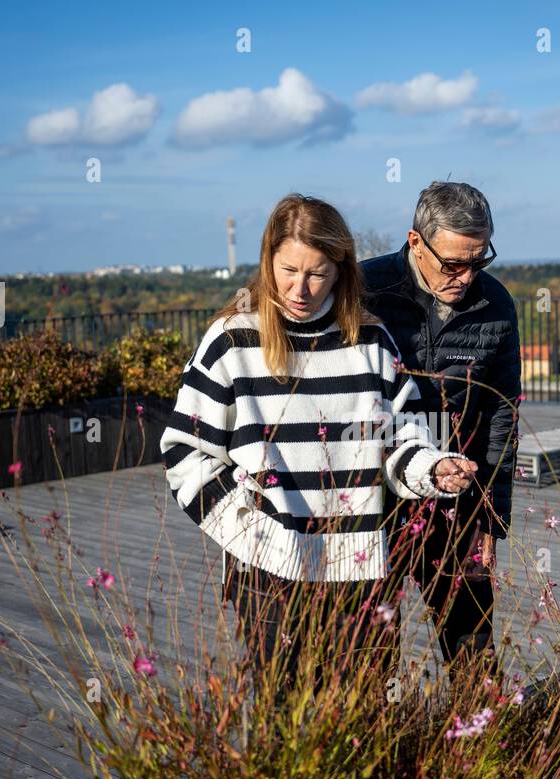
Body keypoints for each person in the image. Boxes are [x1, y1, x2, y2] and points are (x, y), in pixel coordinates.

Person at [159, 194, 477, 695]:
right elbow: (183, 451)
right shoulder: (231, 341)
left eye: (317, 273)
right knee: (281, 718)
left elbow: (404, 438)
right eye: (288, 270)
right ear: (267, 262)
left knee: (365, 719)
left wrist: (432, 470)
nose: (299, 289)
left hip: (360, 570)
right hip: (267, 574)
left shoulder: (370, 340)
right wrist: (247, 529)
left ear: (341, 270)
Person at [360, 181, 522, 677]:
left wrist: (491, 519)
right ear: (415, 242)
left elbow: (502, 414)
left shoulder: (496, 304)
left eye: (480, 261)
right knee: (369, 644)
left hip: (459, 495)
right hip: (373, 496)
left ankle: (484, 742)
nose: (467, 276)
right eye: (453, 264)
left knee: (471, 636)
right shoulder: (364, 290)